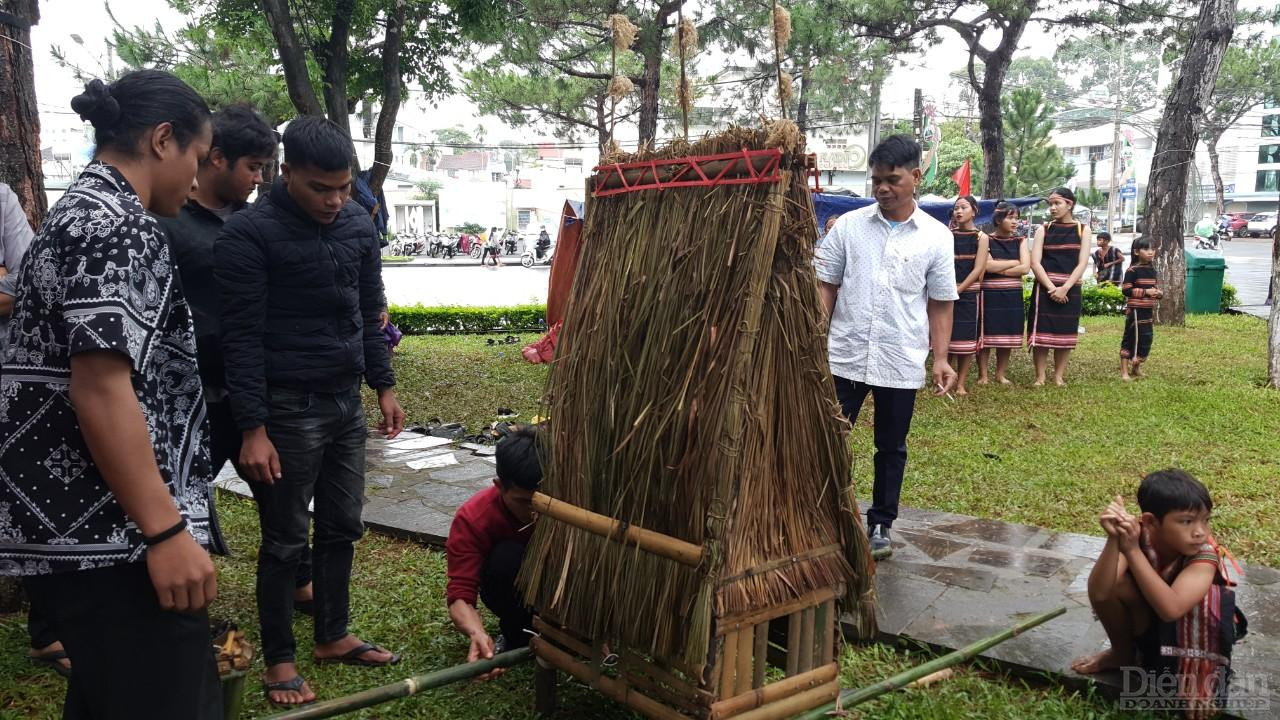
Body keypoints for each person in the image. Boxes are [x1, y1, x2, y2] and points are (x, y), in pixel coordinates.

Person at [0, 70, 222, 719]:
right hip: (116, 535)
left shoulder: (79, 211)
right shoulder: (116, 226)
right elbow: (99, 387)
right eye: (198, 159)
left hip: (85, 532)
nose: (199, 179)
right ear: (162, 140)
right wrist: (166, 532)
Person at [216, 114, 406, 707]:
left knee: (343, 524)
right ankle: (279, 660)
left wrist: (384, 385)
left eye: (343, 187)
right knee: (284, 539)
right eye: (320, 188)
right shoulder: (249, 235)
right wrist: (253, 428)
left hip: (344, 402)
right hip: (286, 408)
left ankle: (332, 634)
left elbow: (369, 308)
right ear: (286, 171)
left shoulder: (356, 223)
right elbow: (239, 339)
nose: (334, 200)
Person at [153, 105, 320, 611]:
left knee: (278, 489)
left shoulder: (255, 222)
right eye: (252, 167)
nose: (259, 179)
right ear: (216, 158)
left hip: (252, 386)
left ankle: (299, 579)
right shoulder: (169, 220)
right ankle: (174, 584)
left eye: (266, 168)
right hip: (192, 394)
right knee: (182, 491)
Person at [815, 135, 957, 552]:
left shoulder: (936, 237)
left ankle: (881, 524)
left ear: (915, 177)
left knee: (891, 446)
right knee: (829, 436)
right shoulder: (850, 227)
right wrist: (814, 336)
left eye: (892, 180)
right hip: (844, 353)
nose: (882, 188)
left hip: (900, 355)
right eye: (876, 180)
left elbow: (941, 302)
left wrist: (942, 358)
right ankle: (824, 515)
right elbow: (827, 285)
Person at [1071, 470, 1243, 719]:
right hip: (1150, 623)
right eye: (1186, 521)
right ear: (1150, 522)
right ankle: (1122, 652)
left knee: (1204, 601)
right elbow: (1100, 593)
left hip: (1187, 631)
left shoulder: (1204, 553)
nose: (1200, 532)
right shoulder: (1138, 535)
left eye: (1205, 520)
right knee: (1117, 582)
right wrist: (1115, 540)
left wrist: (1132, 552)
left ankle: (1181, 667)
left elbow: (1171, 608)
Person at [446, 427, 542, 676]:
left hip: (563, 591)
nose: (536, 513)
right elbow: (460, 596)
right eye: (524, 502)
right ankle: (517, 632)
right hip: (516, 591)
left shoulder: (573, 504)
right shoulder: (474, 518)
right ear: (499, 485)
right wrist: (477, 633)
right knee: (505, 557)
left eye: (543, 501)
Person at [1027, 187, 1092, 386]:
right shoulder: (1043, 230)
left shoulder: (1083, 230)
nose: (1052, 208)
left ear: (1069, 204)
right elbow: (1035, 262)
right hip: (1045, 287)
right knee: (1041, 333)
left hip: (1070, 288)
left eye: (1057, 203)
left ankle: (1058, 376)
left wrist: (1065, 288)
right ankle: (1040, 376)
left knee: (1065, 332)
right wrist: (1052, 288)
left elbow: (1082, 263)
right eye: (1050, 204)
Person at [976, 201, 1029, 385]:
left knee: (1007, 334)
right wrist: (1014, 262)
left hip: (1012, 295)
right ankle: (983, 375)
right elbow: (986, 265)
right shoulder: (985, 239)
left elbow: (1025, 268)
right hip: (989, 295)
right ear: (998, 219)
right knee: (985, 335)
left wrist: (999, 267)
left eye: (1016, 218)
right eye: (1010, 217)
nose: (1014, 222)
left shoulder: (1020, 240)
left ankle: (1000, 374)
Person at [948, 196, 988, 395]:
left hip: (969, 294)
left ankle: (961, 383)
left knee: (966, 340)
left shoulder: (981, 237)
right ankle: (945, 379)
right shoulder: (946, 235)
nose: (959, 212)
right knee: (945, 339)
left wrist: (960, 289)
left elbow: (978, 268)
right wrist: (948, 289)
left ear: (974, 211)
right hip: (946, 293)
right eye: (956, 208)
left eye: (963, 207)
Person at [1120, 237, 1162, 381]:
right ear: (1136, 252)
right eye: (1146, 249)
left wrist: (1158, 293)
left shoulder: (1152, 270)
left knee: (1146, 339)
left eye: (1152, 249)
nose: (1150, 252)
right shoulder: (1132, 270)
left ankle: (1136, 366)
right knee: (1131, 339)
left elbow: (1153, 288)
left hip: (1147, 310)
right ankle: (1125, 372)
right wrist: (1145, 292)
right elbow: (1126, 290)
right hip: (1135, 311)